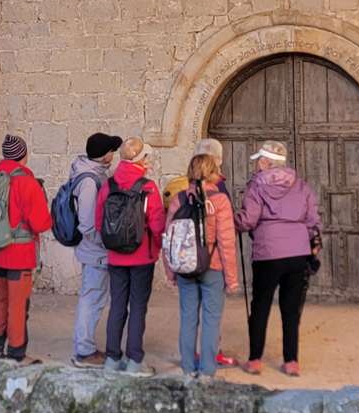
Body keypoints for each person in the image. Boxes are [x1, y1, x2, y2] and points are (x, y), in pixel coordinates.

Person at [234, 140, 320, 377]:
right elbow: (313, 220)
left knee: (260, 305)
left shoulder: (256, 185)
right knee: (291, 308)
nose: (257, 166)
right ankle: (291, 361)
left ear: (265, 162)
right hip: (297, 252)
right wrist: (309, 242)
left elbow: (249, 220)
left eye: (259, 161)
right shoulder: (301, 185)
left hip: (268, 253)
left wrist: (232, 221)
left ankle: (255, 360)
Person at [0, 134, 53, 363]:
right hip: (19, 254)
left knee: (3, 299)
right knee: (18, 304)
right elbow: (40, 224)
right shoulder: (27, 183)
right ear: (24, 155)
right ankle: (17, 354)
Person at [166, 153, 240, 379]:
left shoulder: (179, 199)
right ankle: (207, 371)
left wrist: (170, 273)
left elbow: (169, 239)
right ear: (212, 173)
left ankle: (188, 369)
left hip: (185, 267)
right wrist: (232, 279)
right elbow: (226, 242)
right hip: (213, 266)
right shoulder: (220, 201)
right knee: (211, 319)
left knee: (188, 317)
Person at [96, 137, 165, 374]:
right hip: (142, 257)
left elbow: (99, 223)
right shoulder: (148, 187)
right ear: (141, 159)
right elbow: (157, 225)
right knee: (137, 307)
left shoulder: (108, 185)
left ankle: (112, 359)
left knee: (117, 306)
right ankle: (135, 360)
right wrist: (157, 247)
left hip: (116, 257)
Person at [66, 132, 121, 367]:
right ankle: (84, 351)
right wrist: (107, 242)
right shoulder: (90, 182)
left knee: (94, 297)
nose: (113, 154)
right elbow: (88, 224)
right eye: (111, 151)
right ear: (104, 155)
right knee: (92, 299)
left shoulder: (93, 173)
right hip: (95, 251)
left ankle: (85, 347)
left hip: (94, 250)